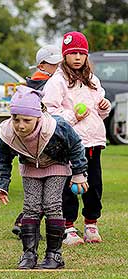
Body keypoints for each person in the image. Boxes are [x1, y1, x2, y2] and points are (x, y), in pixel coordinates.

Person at [0, 85, 88, 269]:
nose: (20, 125)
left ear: (38, 116)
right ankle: (28, 255)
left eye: (26, 120)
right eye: (16, 119)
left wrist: (79, 173)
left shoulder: (56, 127)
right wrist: (1, 186)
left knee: (51, 204)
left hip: (56, 165)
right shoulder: (6, 132)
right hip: (30, 167)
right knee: (31, 207)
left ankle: (54, 256)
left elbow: (76, 146)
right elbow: (2, 160)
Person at [42, 31, 111, 245]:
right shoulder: (57, 82)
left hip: (93, 143)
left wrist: (104, 107)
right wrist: (73, 116)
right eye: (73, 53)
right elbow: (51, 113)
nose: (78, 58)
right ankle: (68, 227)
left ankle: (91, 223)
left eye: (82, 53)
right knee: (68, 187)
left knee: (94, 186)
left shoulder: (92, 80)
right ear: (65, 56)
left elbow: (99, 108)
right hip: (69, 145)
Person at [12, 44, 63, 237]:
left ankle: (25, 222)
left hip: (41, 141)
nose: (58, 67)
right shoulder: (43, 84)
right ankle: (28, 222)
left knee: (44, 193)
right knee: (50, 192)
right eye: (54, 64)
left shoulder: (32, 84)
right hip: (46, 141)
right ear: (41, 65)